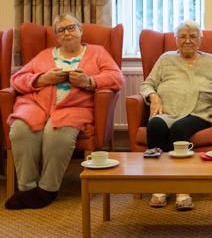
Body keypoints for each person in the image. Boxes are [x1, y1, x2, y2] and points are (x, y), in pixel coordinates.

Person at [5, 14, 123, 210]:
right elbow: (17, 79)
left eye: (71, 28)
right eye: (61, 30)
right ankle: (26, 188)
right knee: (20, 130)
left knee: (57, 134)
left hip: (74, 107)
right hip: (36, 105)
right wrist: (42, 79)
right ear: (56, 36)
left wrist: (89, 82)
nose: (67, 33)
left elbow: (116, 78)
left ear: (80, 30)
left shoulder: (97, 52)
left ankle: (47, 189)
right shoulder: (44, 55)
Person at [140, 20, 212, 211]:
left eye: (193, 36)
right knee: (155, 126)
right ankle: (159, 186)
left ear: (200, 40)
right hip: (169, 111)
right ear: (176, 39)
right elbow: (147, 84)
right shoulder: (165, 59)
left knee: (179, 129)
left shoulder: (210, 61)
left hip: (199, 112)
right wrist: (153, 96)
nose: (187, 41)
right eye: (183, 36)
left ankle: (182, 189)